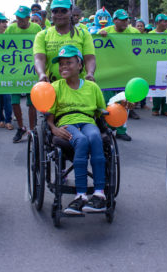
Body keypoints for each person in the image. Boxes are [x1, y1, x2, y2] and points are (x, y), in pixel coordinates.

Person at [47, 45, 107, 214]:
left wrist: (121, 107)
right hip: (66, 122)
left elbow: (101, 111)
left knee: (95, 137)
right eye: (61, 64)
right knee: (80, 140)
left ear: (80, 65)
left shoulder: (92, 87)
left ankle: (99, 193)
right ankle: (80, 195)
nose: (63, 66)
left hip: (87, 121)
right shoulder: (56, 86)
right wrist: (53, 129)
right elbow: (49, 116)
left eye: (69, 63)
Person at [34, 0, 96, 84]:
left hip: (78, 87)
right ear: (51, 13)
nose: (59, 14)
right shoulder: (42, 35)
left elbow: (89, 59)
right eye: (55, 11)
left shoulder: (84, 34)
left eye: (63, 11)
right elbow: (39, 59)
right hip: (52, 88)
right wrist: (41, 74)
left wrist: (90, 73)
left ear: (70, 12)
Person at [98, 9, 139, 137]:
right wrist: (100, 35)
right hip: (108, 72)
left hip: (126, 71)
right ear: (114, 20)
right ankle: (107, 126)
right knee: (107, 101)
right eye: (121, 19)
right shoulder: (105, 32)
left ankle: (121, 130)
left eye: (126, 19)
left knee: (124, 101)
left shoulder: (134, 32)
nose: (124, 22)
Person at [6, 5, 42, 143]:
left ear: (28, 18)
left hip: (31, 70)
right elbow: (3, 47)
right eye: (17, 18)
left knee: (32, 102)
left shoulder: (36, 29)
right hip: (15, 71)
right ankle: (21, 127)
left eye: (22, 18)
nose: (19, 20)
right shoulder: (11, 29)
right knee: (14, 102)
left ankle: (32, 129)